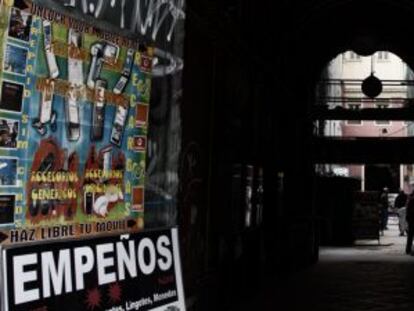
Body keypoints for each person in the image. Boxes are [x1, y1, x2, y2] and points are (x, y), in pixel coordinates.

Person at [406, 190, 414, 254]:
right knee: (410, 235)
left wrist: (407, 218)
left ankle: (408, 249)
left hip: (411, 220)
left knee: (410, 235)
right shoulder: (411, 200)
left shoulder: (410, 200)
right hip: (412, 219)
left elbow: (408, 210)